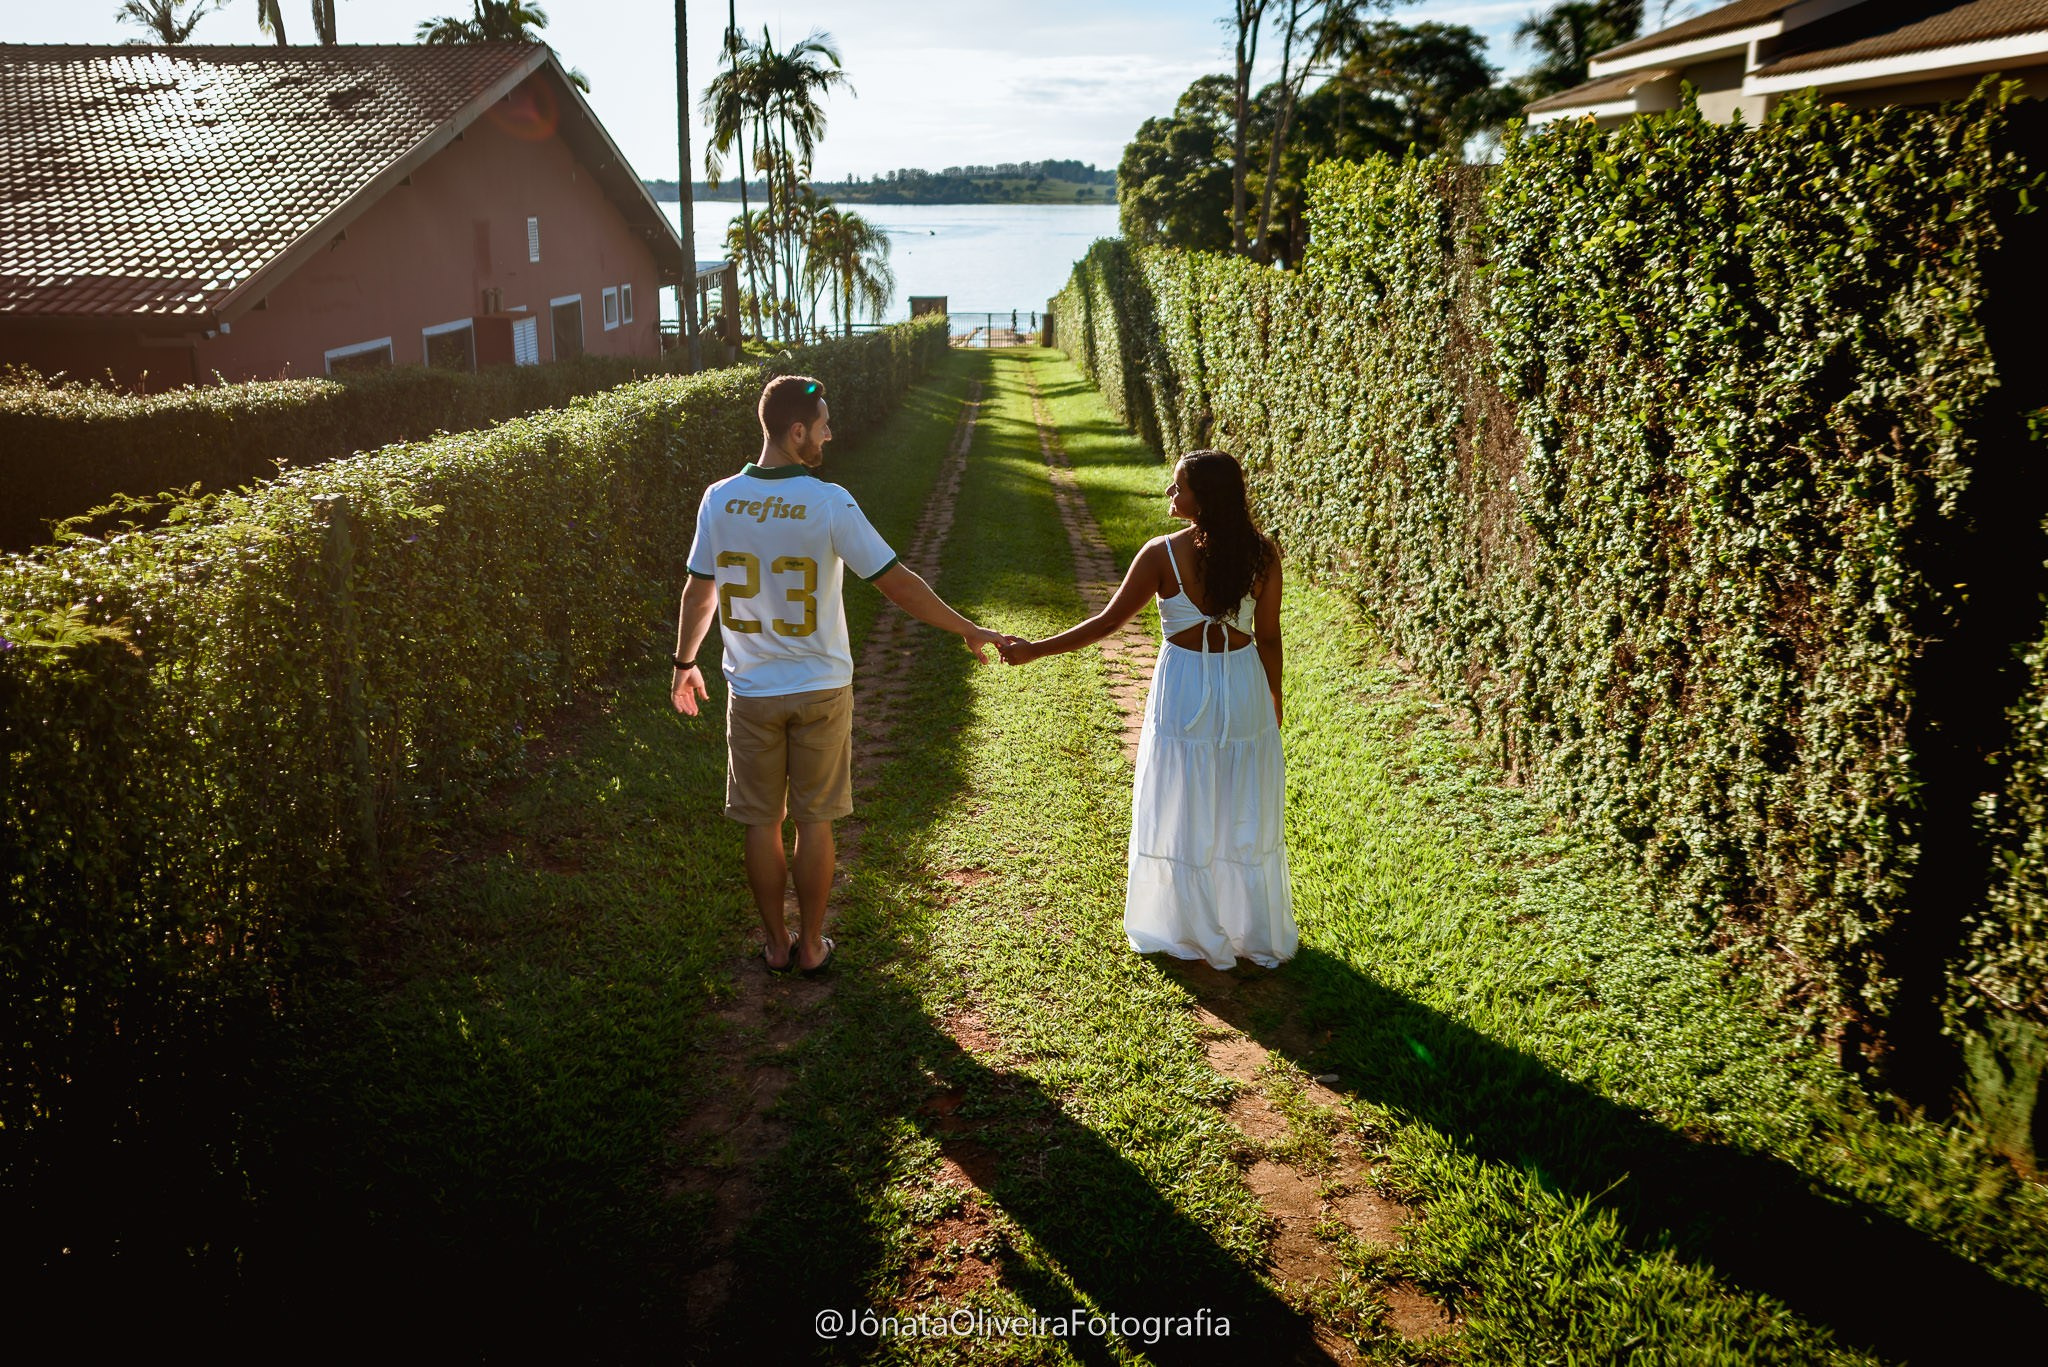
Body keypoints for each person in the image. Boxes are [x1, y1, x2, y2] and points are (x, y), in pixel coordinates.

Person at [671, 375, 1006, 973]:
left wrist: (684, 664)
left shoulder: (718, 498)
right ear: (796, 431)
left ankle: (775, 945)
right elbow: (897, 584)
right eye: (823, 424)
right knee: (814, 819)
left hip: (750, 692)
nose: (830, 432)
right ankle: (814, 947)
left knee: (760, 821)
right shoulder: (829, 501)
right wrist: (966, 628)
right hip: (821, 689)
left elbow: (700, 591)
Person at [1000, 450, 1295, 969]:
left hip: (1186, 687)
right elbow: (1267, 638)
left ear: (1203, 500)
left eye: (1178, 487)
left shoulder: (1161, 554)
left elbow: (1107, 624)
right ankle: (1246, 926)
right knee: (1238, 802)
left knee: (1183, 798)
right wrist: (1272, 701)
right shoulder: (1263, 553)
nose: (1170, 494)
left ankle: (1187, 924)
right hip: (1243, 684)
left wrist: (1033, 649)